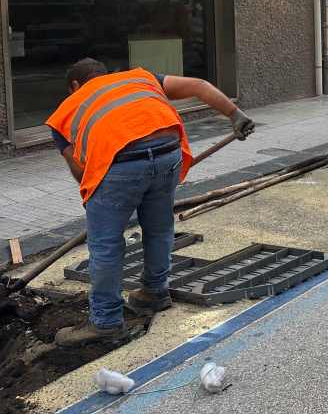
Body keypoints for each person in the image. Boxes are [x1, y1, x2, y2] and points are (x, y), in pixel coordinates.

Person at [46, 59, 255, 347]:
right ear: (106, 75)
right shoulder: (139, 78)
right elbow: (199, 85)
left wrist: (102, 206)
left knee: (105, 244)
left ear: (74, 86)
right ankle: (154, 293)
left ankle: (105, 322)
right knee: (158, 229)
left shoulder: (64, 113)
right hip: (169, 151)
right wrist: (235, 115)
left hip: (120, 165)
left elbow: (83, 172)